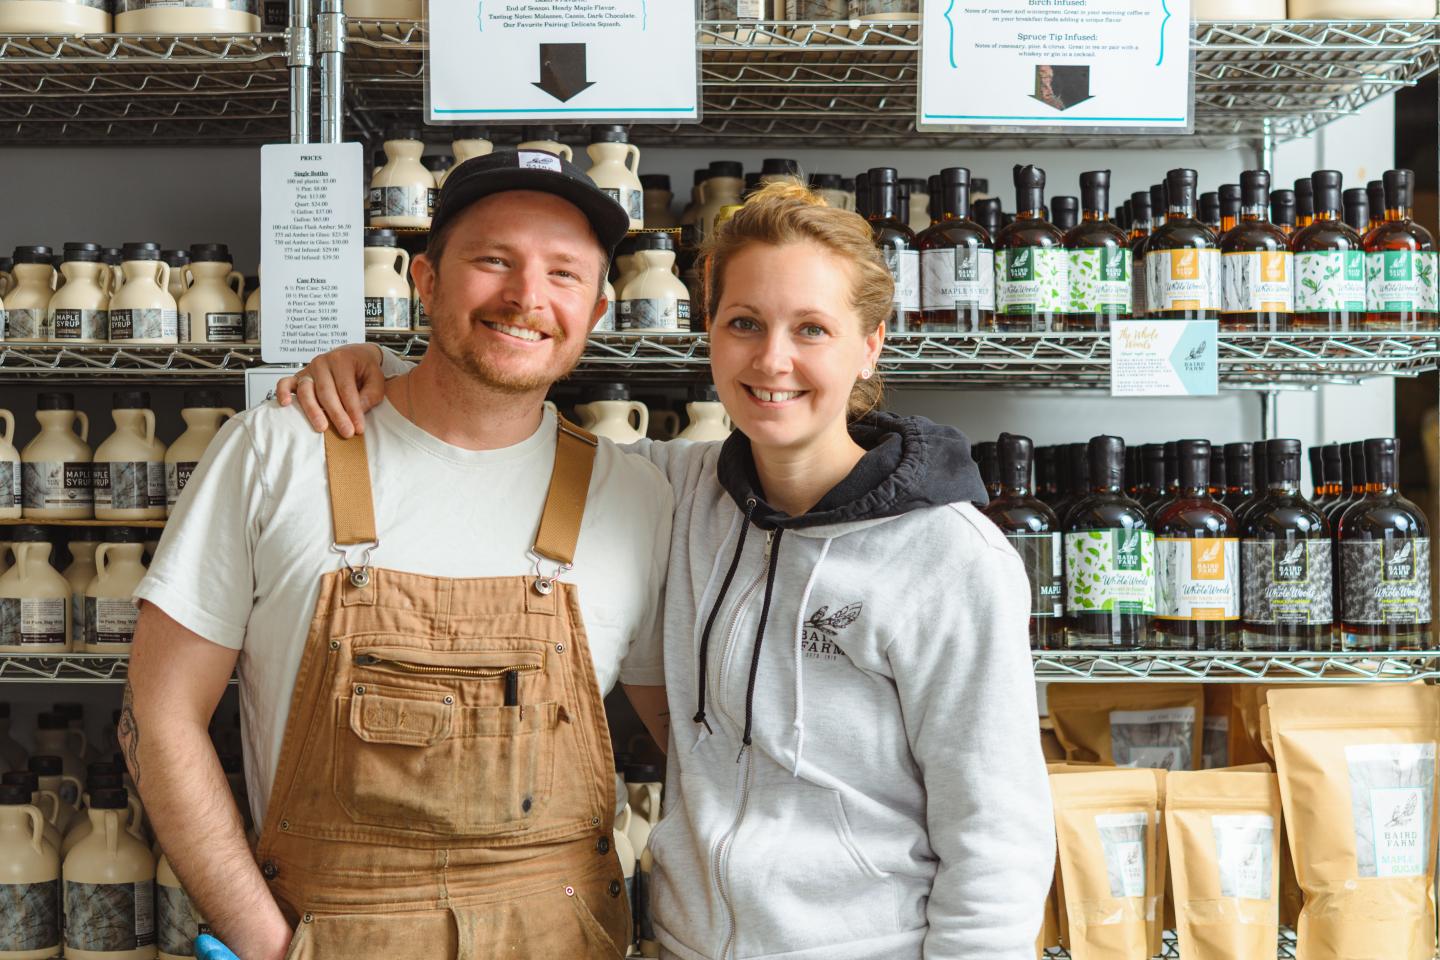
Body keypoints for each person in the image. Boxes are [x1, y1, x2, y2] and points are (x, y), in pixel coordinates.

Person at [282, 181, 1054, 958]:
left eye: (812, 329)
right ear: (708, 330)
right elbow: (507, 434)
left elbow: (996, 845)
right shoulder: (675, 492)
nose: (772, 360)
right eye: (743, 323)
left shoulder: (949, 558)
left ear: (870, 344)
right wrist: (379, 365)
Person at [124, 149, 674, 960]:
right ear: (424, 279)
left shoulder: (639, 497)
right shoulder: (281, 450)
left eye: (564, 274)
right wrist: (267, 945)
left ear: (595, 311)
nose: (528, 296)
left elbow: (695, 745)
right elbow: (158, 718)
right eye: (494, 260)